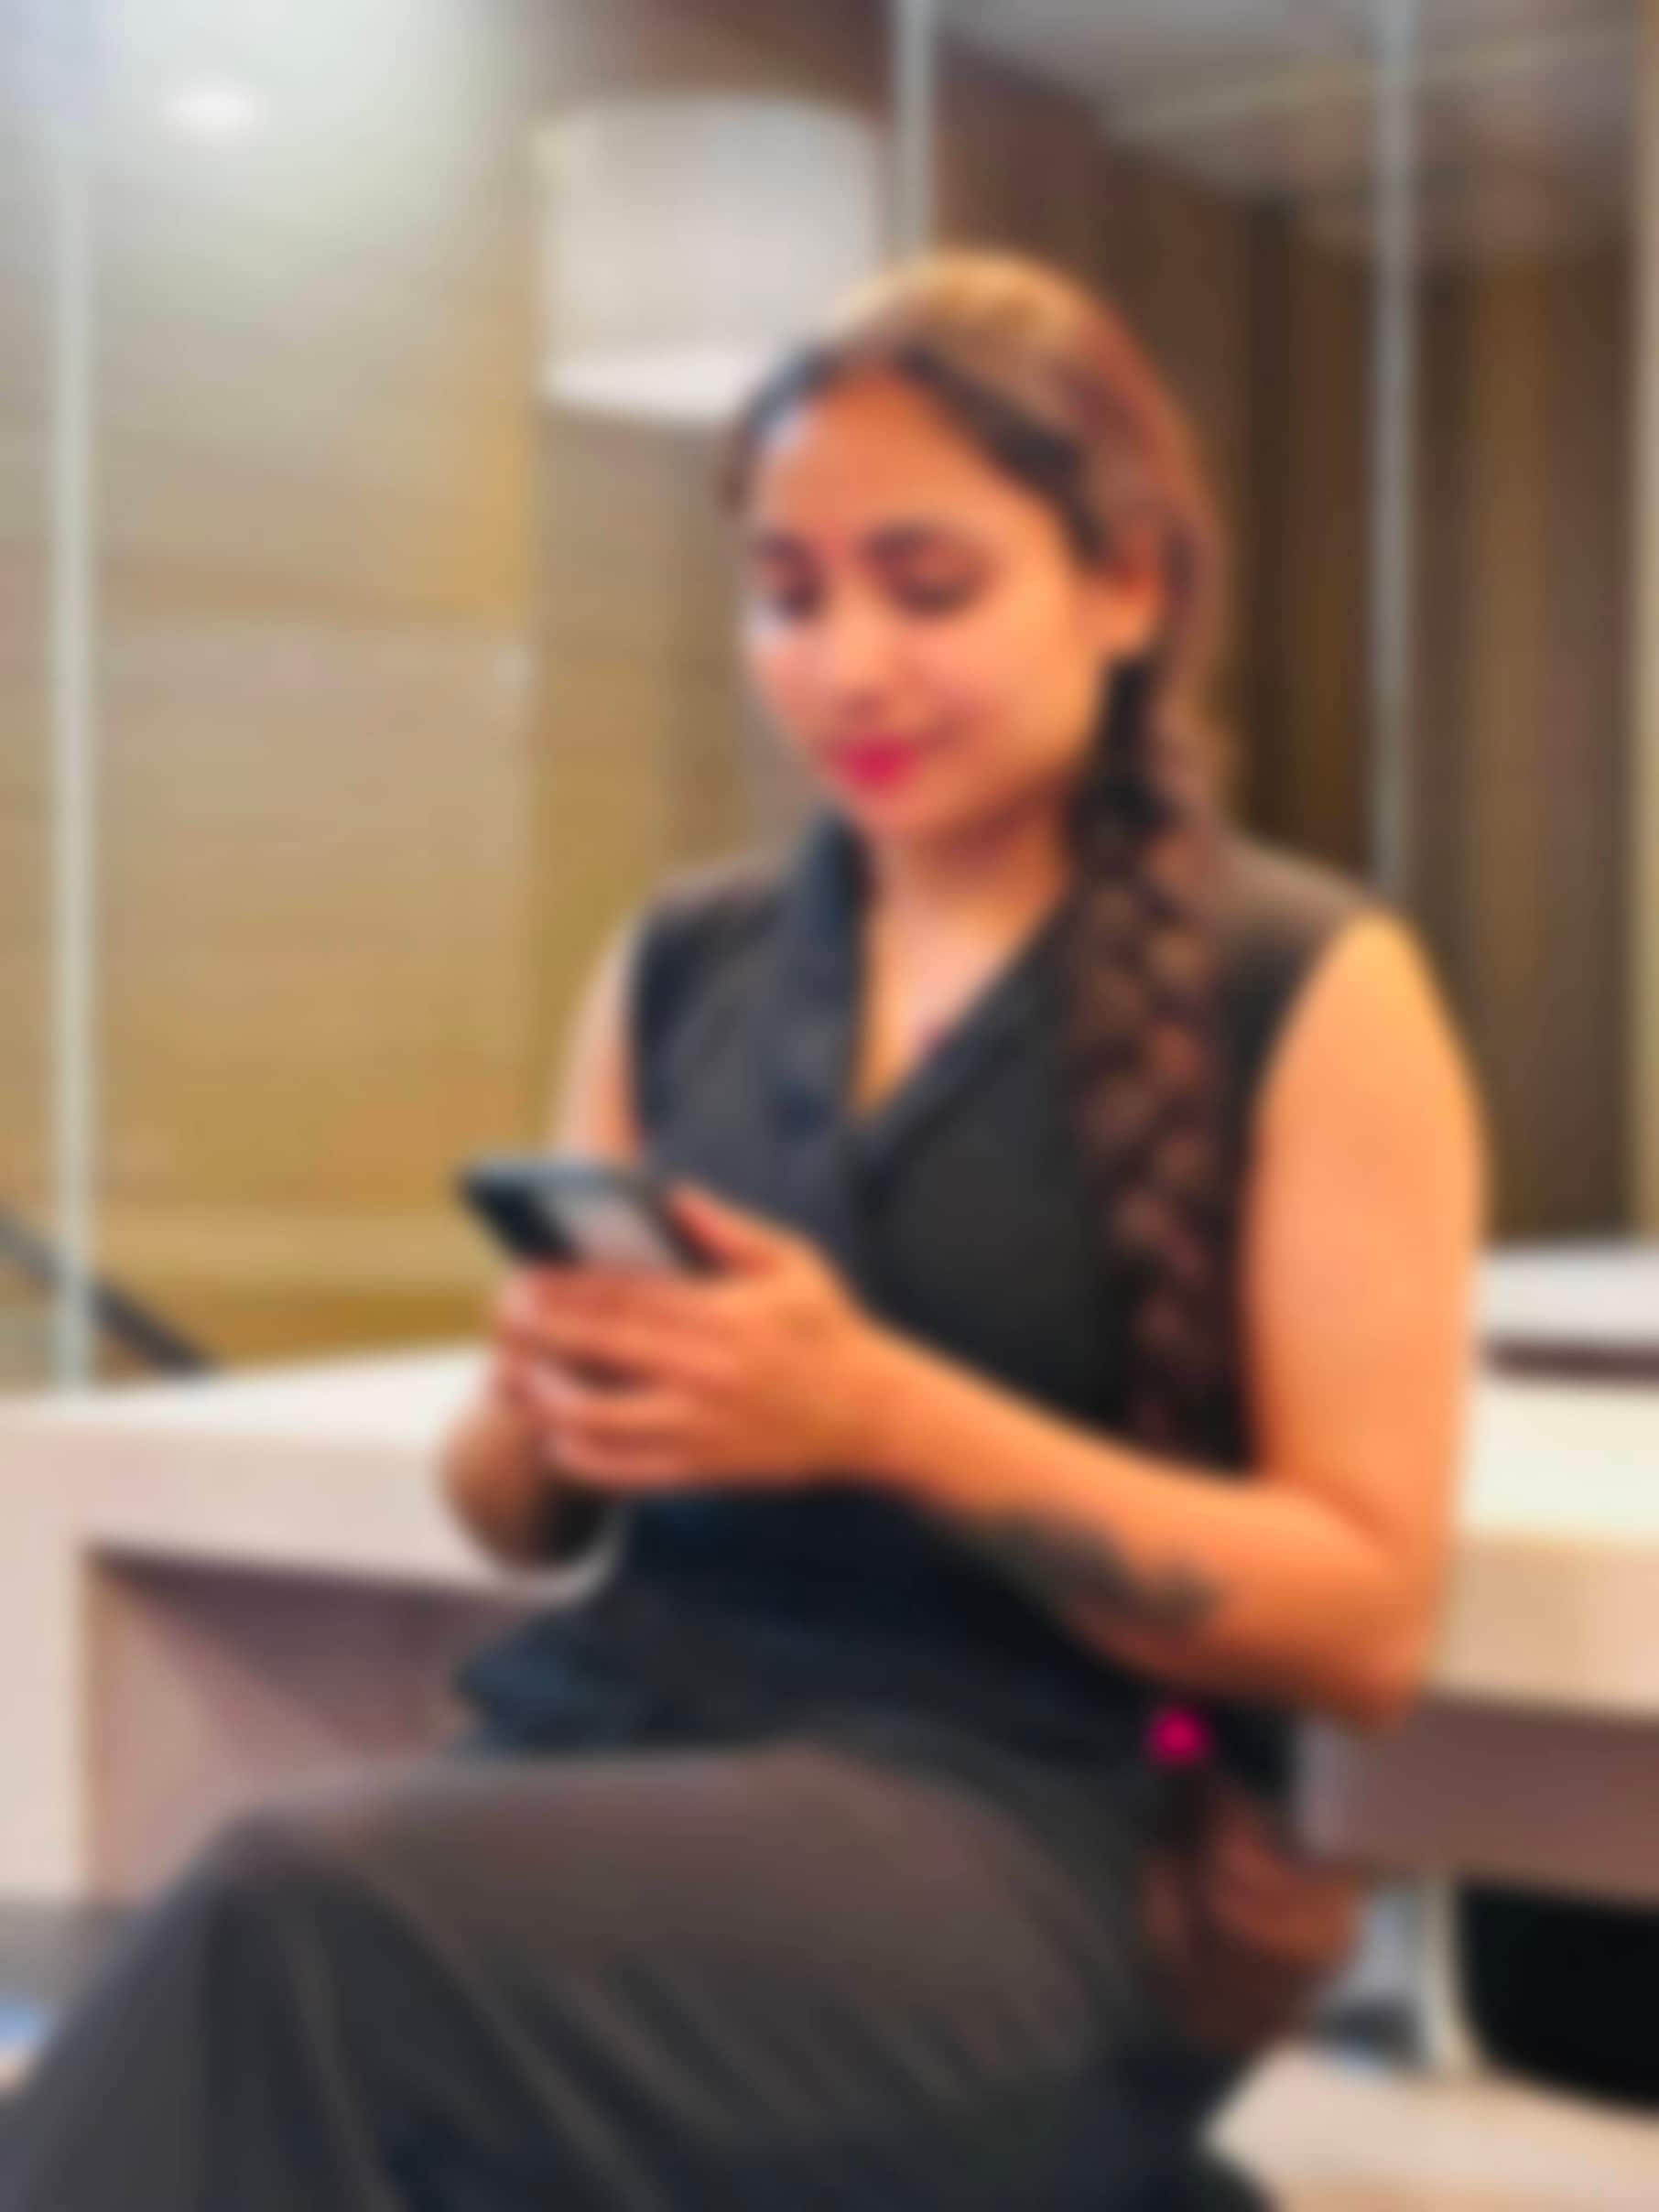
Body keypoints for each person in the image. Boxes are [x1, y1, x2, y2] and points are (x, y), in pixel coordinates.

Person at [0, 249, 1488, 2210]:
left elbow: (1363, 1623)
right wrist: (550, 1388)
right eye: (789, 594)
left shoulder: (1314, 986)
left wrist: (880, 1414)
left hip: (1037, 1839)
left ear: (1126, 584)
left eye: (926, 588)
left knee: (294, 1925)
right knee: (279, 2001)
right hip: (626, 1749)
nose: (845, 666)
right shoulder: (682, 959)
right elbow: (512, 1521)